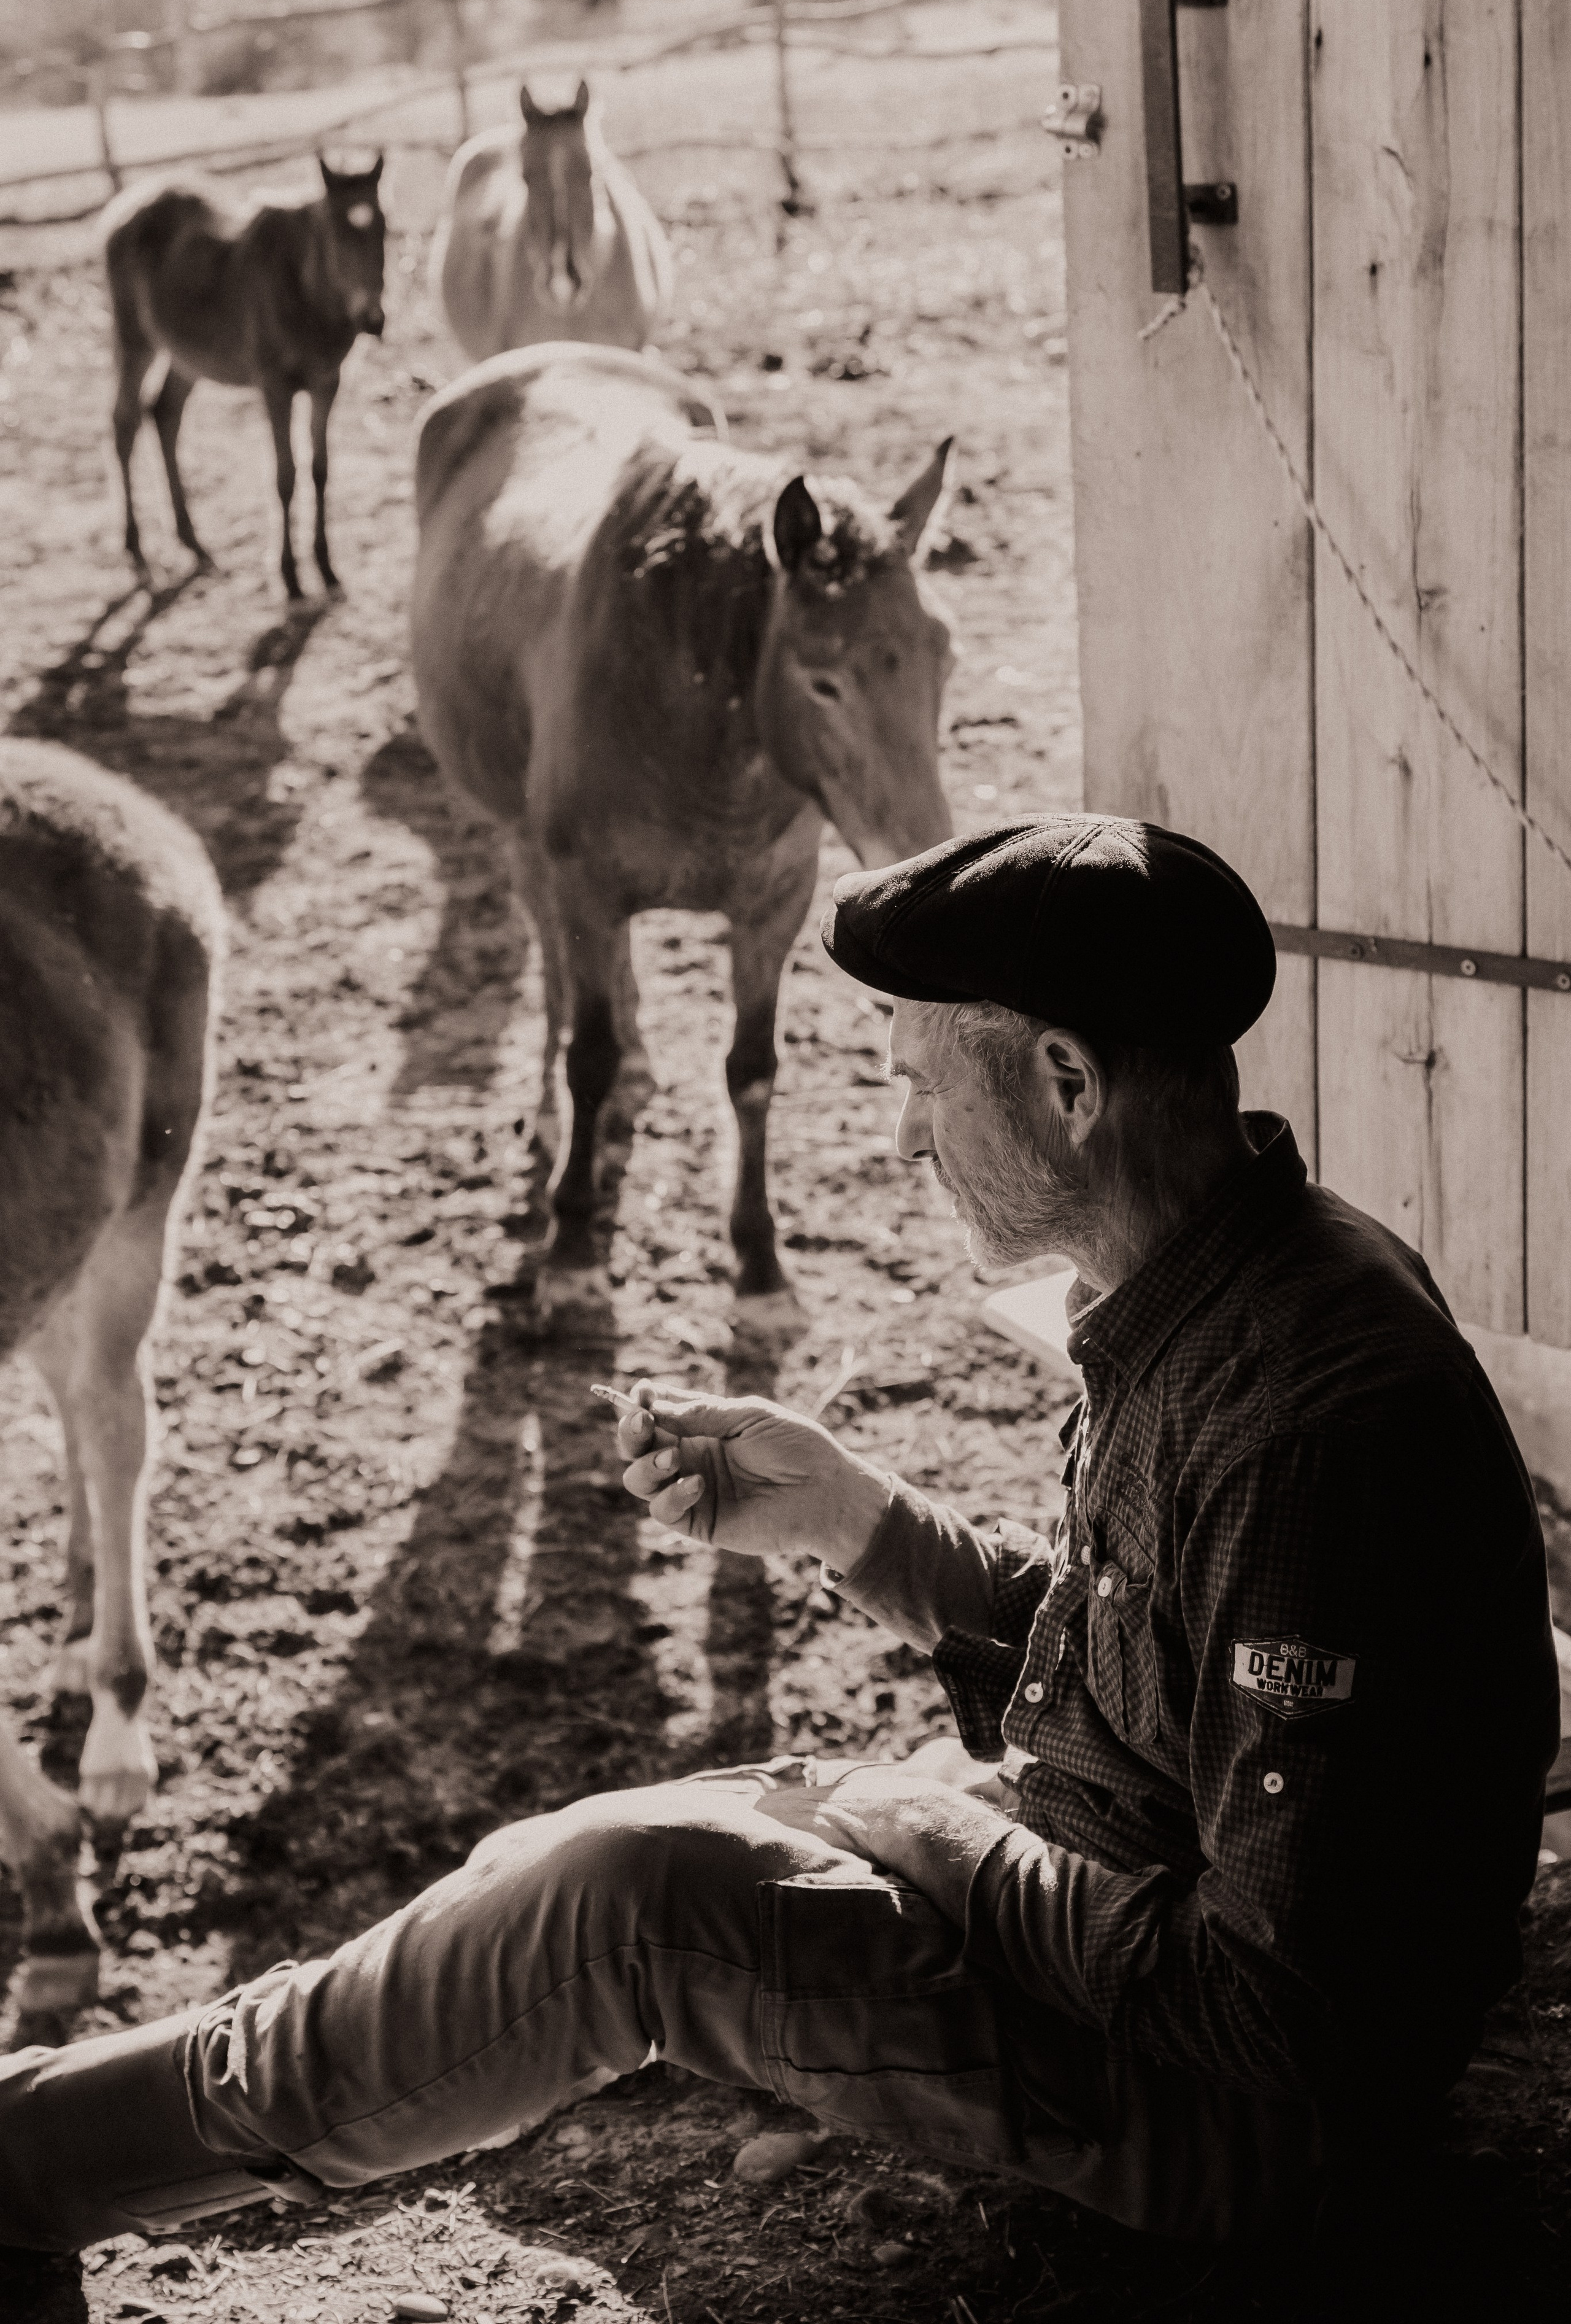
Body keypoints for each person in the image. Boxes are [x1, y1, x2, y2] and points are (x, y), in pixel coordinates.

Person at [1, 815, 1559, 2292]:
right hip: (1115, 1893)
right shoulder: (1233, 1271)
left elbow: (1274, 2018)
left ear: (1069, 1083)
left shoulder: (1303, 1431)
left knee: (617, 1900)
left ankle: (27, 2162)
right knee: (580, 1860)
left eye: (923, 1090)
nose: (902, 1142)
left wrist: (938, 1836)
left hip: (1229, 2118)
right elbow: (1149, 1674)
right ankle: (73, 2123)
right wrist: (854, 1519)